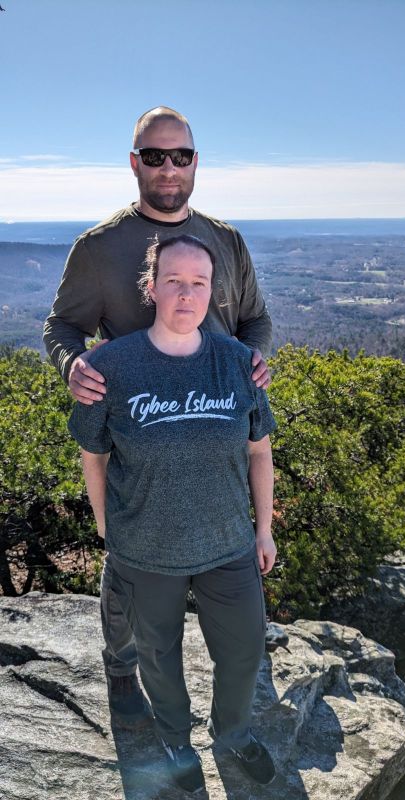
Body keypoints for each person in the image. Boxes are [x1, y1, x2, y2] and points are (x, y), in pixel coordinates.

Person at [43, 106, 274, 730]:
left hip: (217, 423)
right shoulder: (98, 248)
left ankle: (233, 678)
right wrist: (72, 364)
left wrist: (257, 361)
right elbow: (62, 325)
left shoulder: (224, 240)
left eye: (181, 155)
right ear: (134, 162)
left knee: (224, 564)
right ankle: (121, 671)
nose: (168, 168)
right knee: (129, 569)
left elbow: (256, 320)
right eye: (154, 155)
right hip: (138, 426)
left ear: (197, 161)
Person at [68, 235, 277, 793]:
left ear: (214, 291)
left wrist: (263, 530)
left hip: (228, 543)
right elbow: (94, 453)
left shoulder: (238, 363)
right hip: (147, 548)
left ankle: (232, 736)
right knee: (159, 657)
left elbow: (259, 449)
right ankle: (176, 741)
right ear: (152, 288)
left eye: (199, 283)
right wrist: (106, 525)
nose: (187, 294)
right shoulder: (112, 365)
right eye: (174, 281)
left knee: (244, 648)